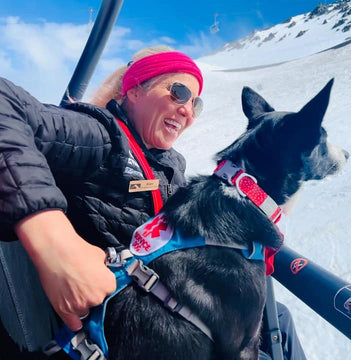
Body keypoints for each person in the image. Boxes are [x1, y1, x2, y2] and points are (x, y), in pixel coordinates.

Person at [0, 46, 306, 359]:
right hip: (129, 323)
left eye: (194, 103)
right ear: (134, 90)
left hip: (168, 301)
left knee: (276, 316)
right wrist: (54, 242)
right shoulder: (102, 135)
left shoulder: (169, 165)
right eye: (179, 92)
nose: (187, 110)